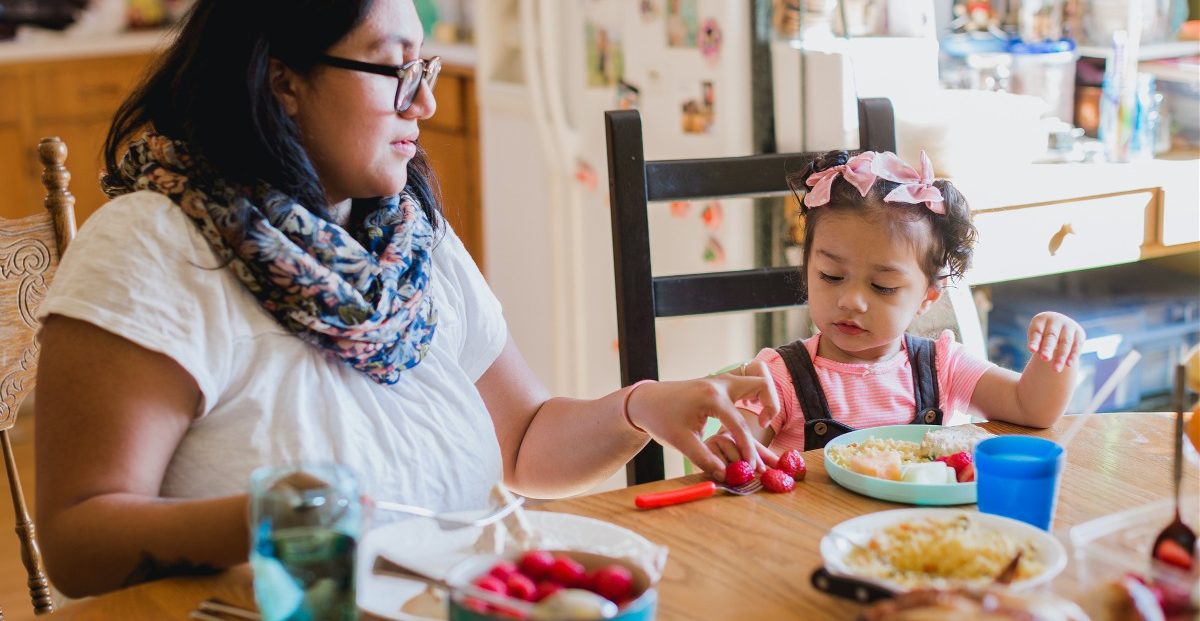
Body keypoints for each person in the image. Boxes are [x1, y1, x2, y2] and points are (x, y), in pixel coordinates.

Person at [32, 0, 779, 598]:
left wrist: (641, 405)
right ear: (283, 80)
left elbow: (522, 441)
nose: (422, 102)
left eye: (424, 66)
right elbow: (75, 542)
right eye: (394, 69)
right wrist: (261, 520)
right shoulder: (152, 249)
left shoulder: (406, 240)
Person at [704, 150, 1084, 460]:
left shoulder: (942, 368)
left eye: (882, 286)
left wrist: (1056, 354)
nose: (850, 300)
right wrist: (730, 452)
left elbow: (1031, 408)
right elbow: (735, 453)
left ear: (927, 297)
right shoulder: (779, 378)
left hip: (921, 541)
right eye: (831, 276)